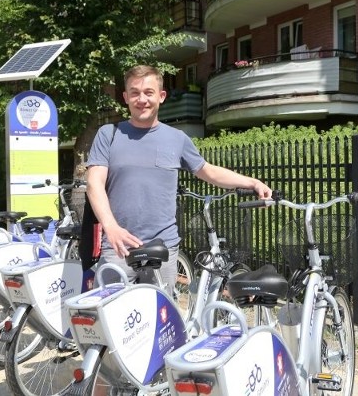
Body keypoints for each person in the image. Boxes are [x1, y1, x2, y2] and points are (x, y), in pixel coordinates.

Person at [85, 65, 272, 292]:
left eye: (148, 92)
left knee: (161, 320)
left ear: (161, 96)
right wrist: (111, 227)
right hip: (117, 247)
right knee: (110, 318)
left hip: (163, 246)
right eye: (134, 93)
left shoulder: (177, 138)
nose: (141, 99)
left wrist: (252, 182)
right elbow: (94, 184)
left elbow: (208, 171)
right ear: (125, 97)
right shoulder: (109, 134)